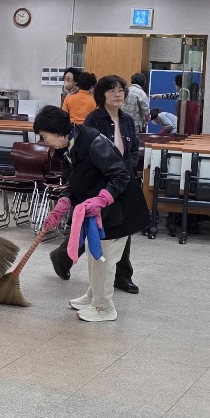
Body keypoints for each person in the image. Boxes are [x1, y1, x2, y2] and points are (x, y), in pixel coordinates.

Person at [33, 105, 133, 322]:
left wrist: (103, 198)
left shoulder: (93, 142)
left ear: (59, 131)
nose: (45, 141)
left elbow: (121, 175)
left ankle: (104, 308)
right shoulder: (67, 149)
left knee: (104, 259)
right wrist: (64, 203)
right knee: (93, 254)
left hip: (117, 209)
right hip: (96, 212)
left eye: (45, 136)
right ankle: (93, 296)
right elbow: (77, 183)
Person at [56, 75, 149, 293]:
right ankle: (62, 257)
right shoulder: (94, 120)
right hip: (100, 182)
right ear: (101, 95)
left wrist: (125, 170)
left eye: (121, 90)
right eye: (112, 91)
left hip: (122, 179)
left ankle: (122, 276)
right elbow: (87, 153)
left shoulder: (128, 120)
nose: (118, 95)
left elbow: (133, 150)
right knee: (96, 229)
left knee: (123, 228)